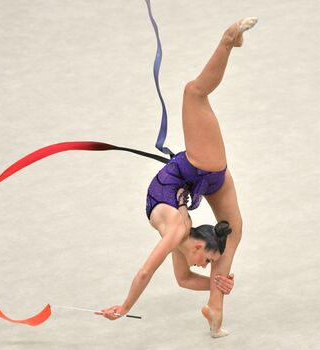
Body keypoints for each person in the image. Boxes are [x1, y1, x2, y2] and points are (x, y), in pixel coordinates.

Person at [101, 17, 258, 338]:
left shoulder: (177, 234)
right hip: (205, 169)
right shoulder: (179, 234)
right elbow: (179, 277)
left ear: (196, 245)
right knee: (193, 93)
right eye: (208, 261)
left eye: (206, 261)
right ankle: (228, 40)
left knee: (236, 232)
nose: (203, 264)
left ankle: (215, 309)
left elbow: (157, 274)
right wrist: (216, 282)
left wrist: (124, 306)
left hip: (201, 174)